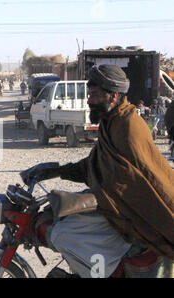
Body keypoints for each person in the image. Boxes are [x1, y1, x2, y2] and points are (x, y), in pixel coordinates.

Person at [21, 65, 174, 278]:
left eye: (93, 95)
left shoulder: (128, 126)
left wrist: (80, 200)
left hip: (135, 213)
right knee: (60, 223)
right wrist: (55, 170)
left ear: (112, 97)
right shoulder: (111, 121)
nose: (88, 100)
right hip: (115, 205)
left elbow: (128, 186)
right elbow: (95, 165)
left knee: (64, 234)